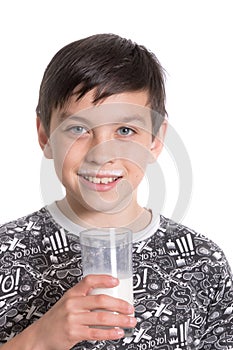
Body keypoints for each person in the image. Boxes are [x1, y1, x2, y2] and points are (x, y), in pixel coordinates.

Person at [0, 33, 232, 350]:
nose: (101, 153)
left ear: (155, 139)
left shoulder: (203, 263)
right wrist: (41, 339)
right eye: (78, 128)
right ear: (45, 135)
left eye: (125, 130)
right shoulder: (7, 252)